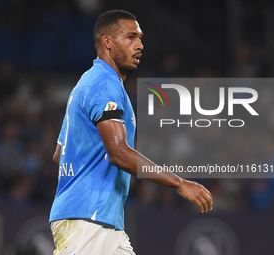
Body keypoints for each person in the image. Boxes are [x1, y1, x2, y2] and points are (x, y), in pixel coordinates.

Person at [49, 9, 213, 255]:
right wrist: (179, 184)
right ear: (108, 42)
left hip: (99, 219)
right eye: (131, 37)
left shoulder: (89, 83)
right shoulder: (104, 83)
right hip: (88, 220)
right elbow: (118, 153)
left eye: (140, 38)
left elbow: (60, 153)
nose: (140, 45)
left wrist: (108, 206)